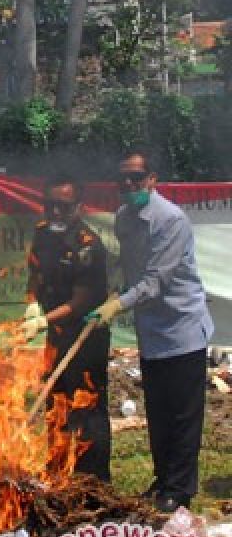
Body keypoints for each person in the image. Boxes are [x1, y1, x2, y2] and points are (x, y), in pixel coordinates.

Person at [87, 151, 214, 512]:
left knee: (183, 414)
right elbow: (129, 265)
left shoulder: (171, 219)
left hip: (182, 327)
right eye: (123, 179)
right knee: (158, 411)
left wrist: (117, 304)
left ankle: (180, 490)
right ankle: (163, 482)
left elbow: (156, 280)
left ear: (152, 179)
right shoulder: (125, 216)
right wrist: (113, 286)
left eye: (137, 178)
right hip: (151, 329)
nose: (129, 185)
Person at [20, 174, 111, 481]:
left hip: (86, 335)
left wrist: (44, 319)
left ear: (78, 207)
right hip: (57, 335)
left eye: (64, 206)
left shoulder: (88, 246)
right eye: (50, 206)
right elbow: (34, 272)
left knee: (86, 405)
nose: (56, 213)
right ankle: (58, 468)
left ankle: (92, 479)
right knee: (55, 400)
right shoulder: (42, 233)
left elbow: (80, 301)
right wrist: (32, 303)